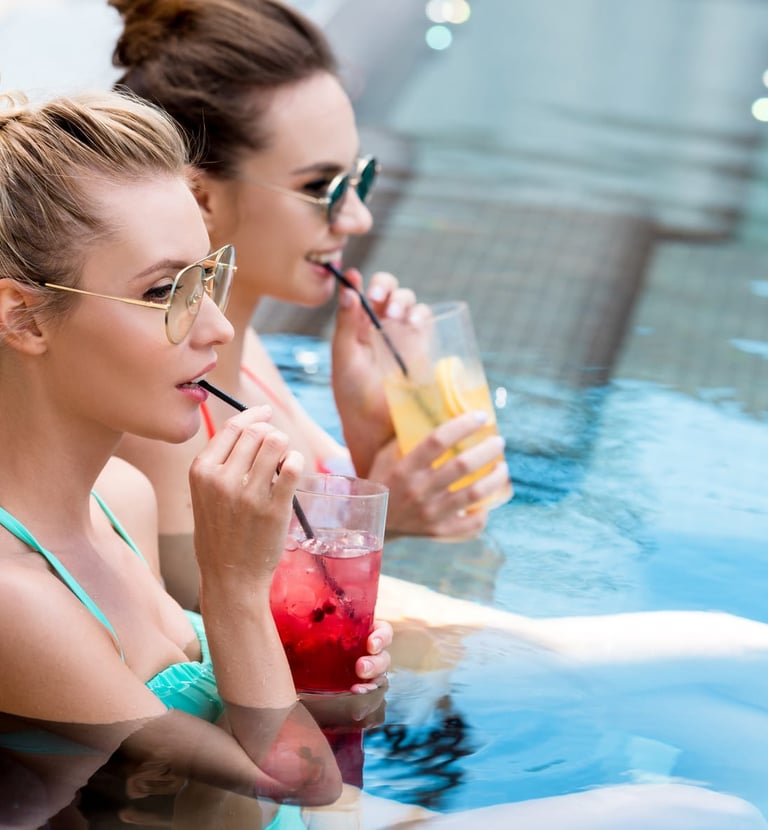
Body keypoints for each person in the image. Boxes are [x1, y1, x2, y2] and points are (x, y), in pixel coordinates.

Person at [0, 88, 375, 826]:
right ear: (23, 318)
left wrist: (340, 680)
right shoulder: (14, 597)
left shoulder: (124, 496)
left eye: (208, 277)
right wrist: (234, 585)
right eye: (165, 290)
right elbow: (292, 790)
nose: (214, 328)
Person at [106, 0, 512, 609]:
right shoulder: (164, 422)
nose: (358, 215)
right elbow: (218, 623)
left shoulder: (248, 356)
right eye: (321, 188)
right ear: (202, 195)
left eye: (359, 178)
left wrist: (369, 431)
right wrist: (386, 519)